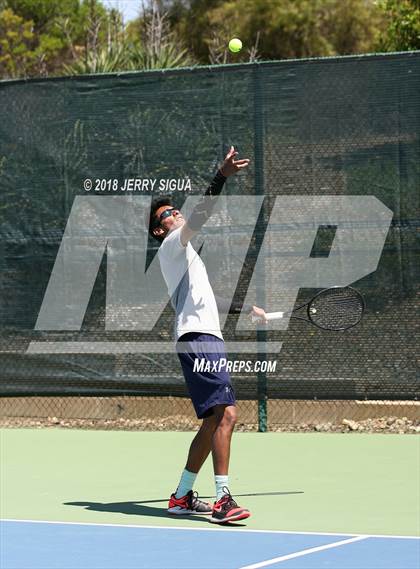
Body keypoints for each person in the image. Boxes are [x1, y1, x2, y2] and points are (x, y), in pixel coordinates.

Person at [148, 146, 267, 524]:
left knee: (213, 420)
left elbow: (207, 298)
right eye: (167, 214)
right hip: (197, 339)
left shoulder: (185, 257)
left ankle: (182, 496)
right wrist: (221, 177)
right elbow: (198, 216)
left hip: (202, 337)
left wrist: (245, 308)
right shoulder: (172, 244)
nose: (175, 212)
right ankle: (222, 500)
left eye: (173, 208)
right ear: (159, 228)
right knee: (227, 413)